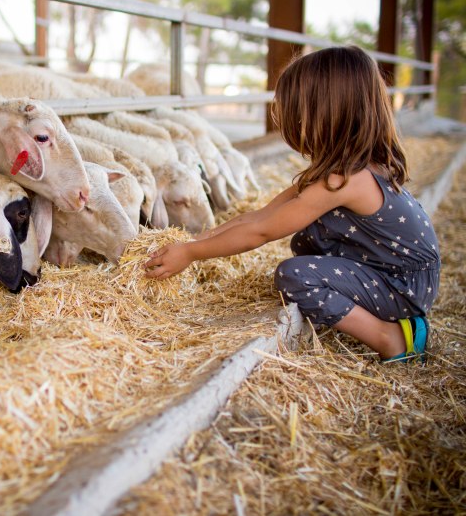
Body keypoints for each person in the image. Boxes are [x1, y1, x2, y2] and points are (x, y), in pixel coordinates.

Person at [144, 46, 440, 363]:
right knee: (307, 242)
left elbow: (261, 232)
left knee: (296, 276)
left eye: (300, 114)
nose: (295, 124)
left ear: (329, 114)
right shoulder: (339, 170)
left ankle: (391, 338)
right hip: (387, 272)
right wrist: (191, 242)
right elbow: (260, 217)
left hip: (403, 287)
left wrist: (191, 254)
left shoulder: (346, 180)